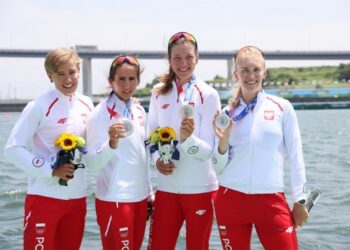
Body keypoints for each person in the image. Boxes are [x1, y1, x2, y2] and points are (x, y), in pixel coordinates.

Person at [212, 45, 309, 250]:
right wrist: (223, 142)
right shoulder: (225, 114)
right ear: (235, 73)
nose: (250, 76)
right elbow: (217, 168)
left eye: (256, 69)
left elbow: (295, 156)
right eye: (244, 70)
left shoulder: (282, 107)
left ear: (264, 72)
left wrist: (300, 200)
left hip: (270, 200)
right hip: (231, 200)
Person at [3, 48, 94, 250]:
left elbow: (94, 148)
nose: (67, 79)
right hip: (44, 198)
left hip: (77, 200)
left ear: (78, 70)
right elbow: (12, 149)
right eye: (60, 74)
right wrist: (50, 170)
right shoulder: (38, 105)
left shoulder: (87, 104)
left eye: (71, 72)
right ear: (49, 75)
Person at [146, 32, 221, 250]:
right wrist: (157, 158)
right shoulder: (158, 93)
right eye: (177, 58)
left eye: (188, 57)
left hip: (201, 189)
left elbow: (208, 151)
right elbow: (150, 135)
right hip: (167, 188)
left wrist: (188, 140)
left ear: (197, 58)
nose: (183, 63)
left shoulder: (209, 94)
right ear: (169, 60)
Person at [86, 54, 153, 250]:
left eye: (132, 79)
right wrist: (111, 143)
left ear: (138, 81)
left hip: (140, 199)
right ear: (111, 81)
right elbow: (91, 163)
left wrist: (149, 193)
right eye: (121, 79)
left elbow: (143, 156)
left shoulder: (139, 110)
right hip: (115, 199)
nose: (127, 85)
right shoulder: (99, 114)